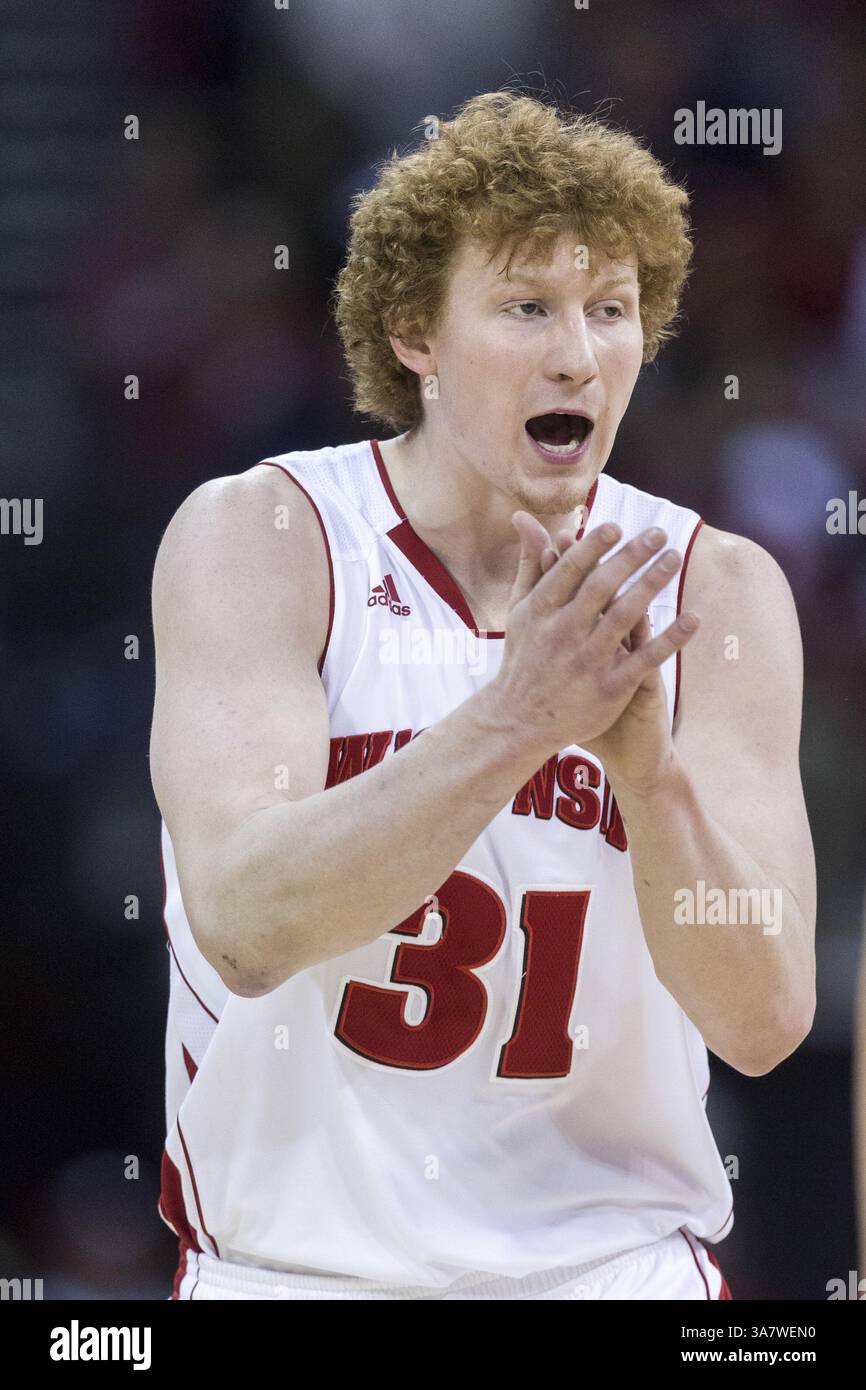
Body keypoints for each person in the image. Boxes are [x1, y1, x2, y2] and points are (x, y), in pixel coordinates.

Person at [149, 90, 816, 1301]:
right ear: (415, 334)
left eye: (609, 311)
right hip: (298, 1269)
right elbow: (244, 924)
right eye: (525, 308)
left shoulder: (716, 589)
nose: (576, 353)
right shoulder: (264, 539)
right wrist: (516, 721)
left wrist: (646, 778)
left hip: (613, 1272)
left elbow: (764, 1020)